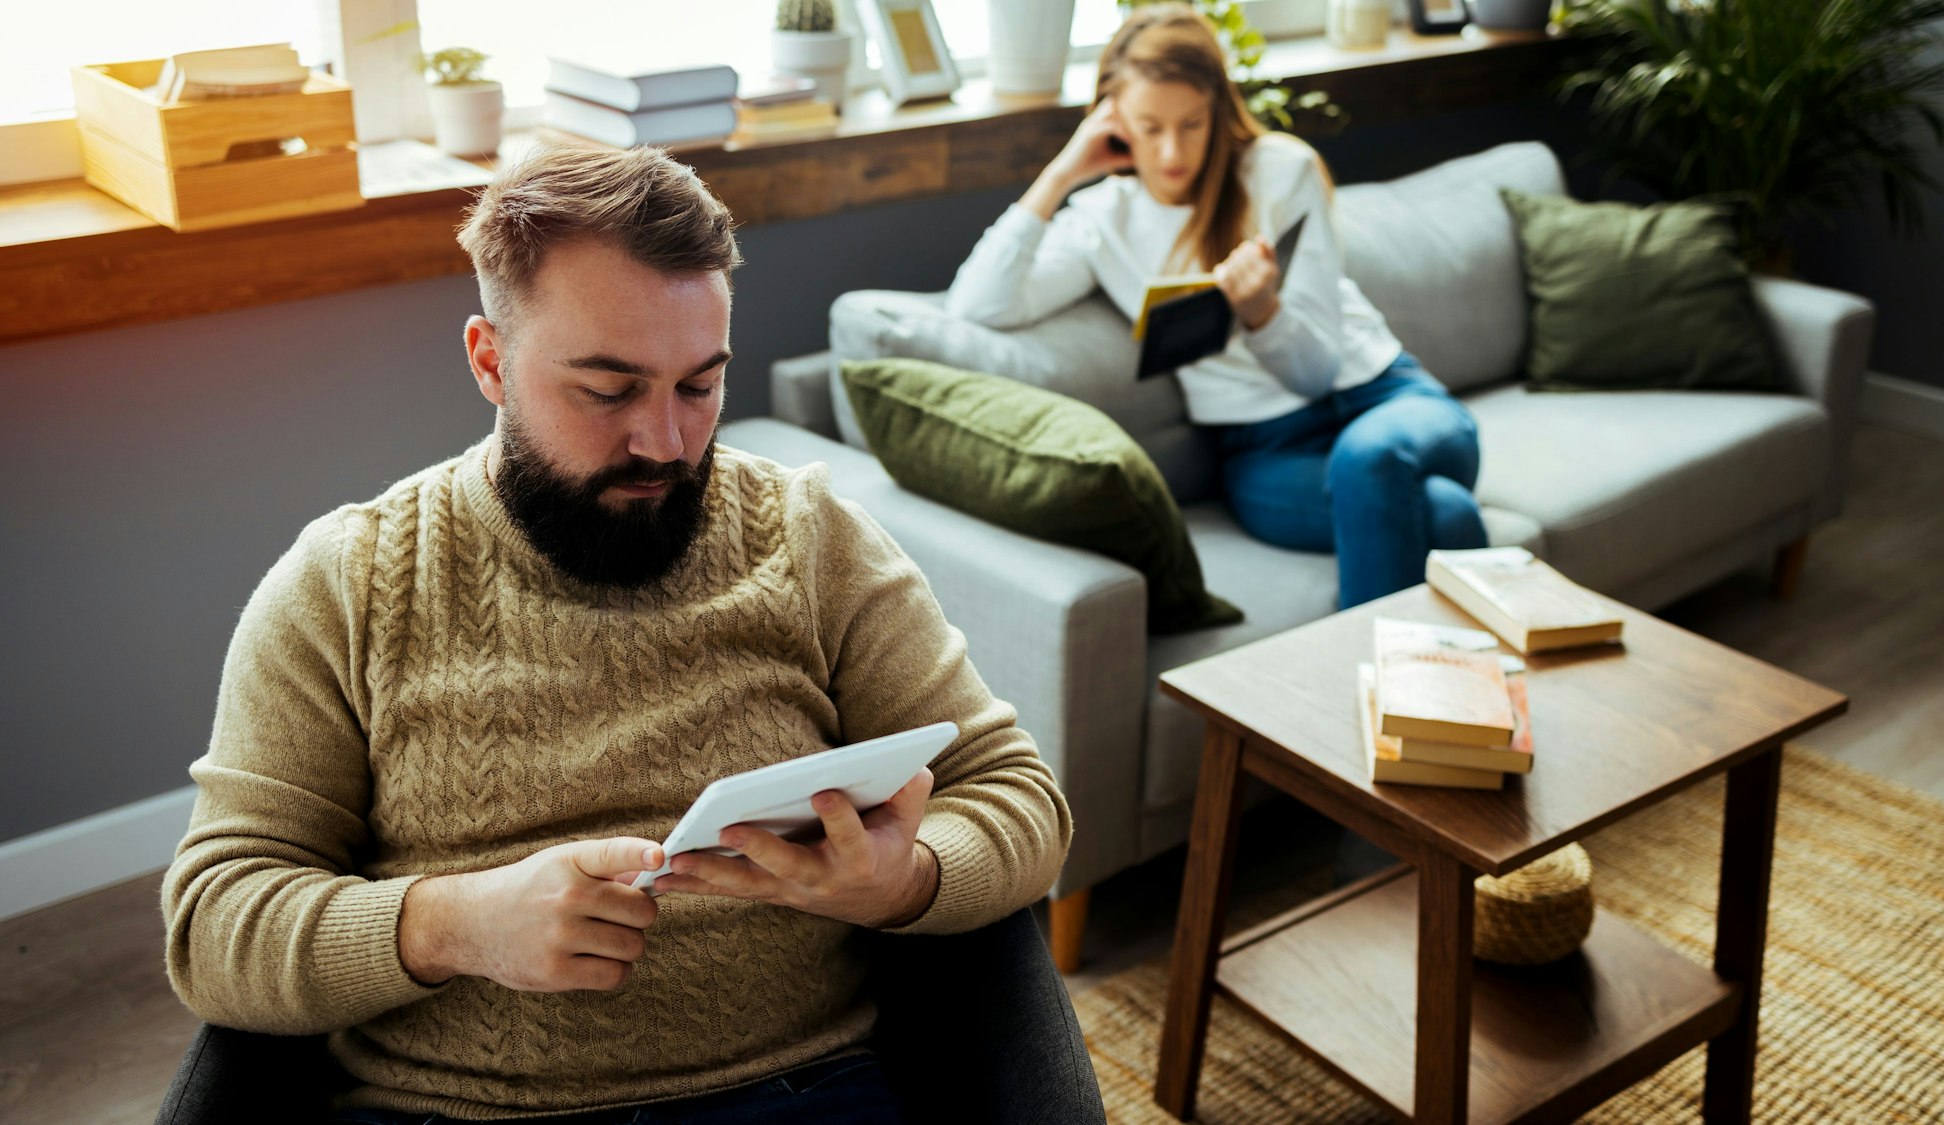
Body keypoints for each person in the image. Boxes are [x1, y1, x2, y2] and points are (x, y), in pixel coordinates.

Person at [162, 143, 1072, 1124]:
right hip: (456, 1112)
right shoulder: (343, 585)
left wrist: (903, 882)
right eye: (607, 390)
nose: (666, 443)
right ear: (488, 362)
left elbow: (1020, 800)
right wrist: (449, 927)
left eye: (699, 386)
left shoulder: (812, 542)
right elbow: (214, 926)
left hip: (798, 1094)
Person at [947, 3, 1488, 609]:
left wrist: (1263, 313)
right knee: (1445, 514)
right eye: (1150, 127)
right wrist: (1062, 173)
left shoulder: (1280, 172)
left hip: (1387, 400)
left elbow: (1314, 372)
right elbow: (978, 306)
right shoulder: (1101, 220)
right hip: (1266, 451)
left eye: (1192, 123)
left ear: (1218, 111)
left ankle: (1352, 695)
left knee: (1373, 459)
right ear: (1112, 118)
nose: (1173, 152)